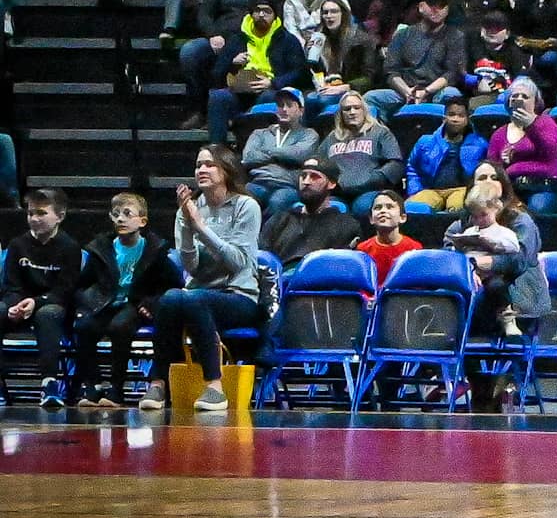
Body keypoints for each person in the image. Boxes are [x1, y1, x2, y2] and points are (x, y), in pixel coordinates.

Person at [146, 146, 263, 414]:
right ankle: (158, 382)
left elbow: (237, 263)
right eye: (198, 165)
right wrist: (187, 226)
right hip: (199, 293)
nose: (201, 170)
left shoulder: (246, 206)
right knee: (171, 297)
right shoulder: (189, 209)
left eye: (209, 164)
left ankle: (215, 386)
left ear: (227, 169)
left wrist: (201, 227)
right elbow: (192, 267)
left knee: (193, 299)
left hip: (239, 295)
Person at [444, 161, 549, 408]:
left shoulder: (520, 220)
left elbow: (521, 260)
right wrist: (469, 268)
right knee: (462, 310)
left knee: (489, 297)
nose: (487, 182)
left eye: (493, 177)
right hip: (476, 294)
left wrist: (489, 262)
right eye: (481, 178)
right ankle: (480, 389)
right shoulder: (462, 224)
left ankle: (504, 385)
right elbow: (449, 254)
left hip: (517, 292)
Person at [64, 192, 182, 410]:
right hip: (106, 302)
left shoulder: (154, 250)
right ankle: (94, 385)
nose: (120, 219)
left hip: (136, 304)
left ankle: (117, 388)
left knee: (120, 327)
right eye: (116, 214)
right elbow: (82, 284)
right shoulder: (102, 248)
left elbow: (173, 285)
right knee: (85, 326)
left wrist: (151, 303)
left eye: (127, 214)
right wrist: (89, 302)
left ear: (142, 221)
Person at [5, 189, 82, 407]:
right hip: (21, 303)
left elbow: (66, 290)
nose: (34, 219)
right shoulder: (17, 245)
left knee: (47, 315)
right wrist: (14, 306)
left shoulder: (70, 247)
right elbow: (11, 286)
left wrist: (36, 303)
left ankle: (49, 384)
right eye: (30, 213)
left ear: (60, 216)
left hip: (55, 305)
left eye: (41, 213)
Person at [207, 0, 308, 143]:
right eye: (257, 11)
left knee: (270, 97)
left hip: (269, 90)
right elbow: (216, 73)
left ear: (274, 15)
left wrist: (273, 83)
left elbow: (300, 72)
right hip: (239, 92)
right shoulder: (237, 39)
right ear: (251, 14)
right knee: (218, 97)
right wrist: (232, 64)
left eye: (267, 11)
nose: (261, 15)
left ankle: (255, 142)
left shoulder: (287, 40)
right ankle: (216, 149)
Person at [364, 0, 466, 119]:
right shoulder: (403, 34)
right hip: (405, 90)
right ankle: (384, 134)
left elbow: (451, 72)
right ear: (421, 7)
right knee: (371, 98)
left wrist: (426, 91)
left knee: (451, 94)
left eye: (441, 6)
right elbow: (390, 70)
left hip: (436, 91)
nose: (436, 10)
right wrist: (407, 92)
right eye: (431, 5)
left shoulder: (456, 36)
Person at [259, 157, 362, 271]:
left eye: (314, 177)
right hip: (278, 283)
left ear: (332, 184)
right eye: (303, 176)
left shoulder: (346, 225)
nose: (306, 182)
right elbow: (263, 259)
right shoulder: (279, 220)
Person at [318, 91, 405, 219]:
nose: (352, 112)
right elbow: (318, 163)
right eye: (347, 109)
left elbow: (396, 164)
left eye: (356, 108)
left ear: (364, 110)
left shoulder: (380, 132)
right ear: (341, 114)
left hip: (369, 190)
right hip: (338, 192)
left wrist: (373, 179)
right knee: (327, 209)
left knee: (363, 207)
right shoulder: (332, 137)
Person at [487, 77, 557, 213]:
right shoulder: (499, 134)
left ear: (535, 103)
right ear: (508, 102)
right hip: (511, 189)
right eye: (515, 96)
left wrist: (530, 125)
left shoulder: (546, 123)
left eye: (525, 96)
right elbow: (491, 167)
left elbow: (551, 152)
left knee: (537, 207)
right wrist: (503, 163)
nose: (520, 99)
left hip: (543, 188)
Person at [242, 87, 319, 217]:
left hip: (287, 186)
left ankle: (267, 236)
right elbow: (249, 157)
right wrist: (281, 156)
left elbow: (299, 155)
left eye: (289, 105)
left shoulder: (309, 135)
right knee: (241, 199)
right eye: (280, 105)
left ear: (301, 111)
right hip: (258, 181)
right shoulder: (260, 133)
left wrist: (267, 152)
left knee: (278, 201)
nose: (284, 109)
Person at [406, 96, 487, 212]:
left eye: (461, 116)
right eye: (451, 114)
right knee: (414, 207)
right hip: (430, 190)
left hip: (461, 189)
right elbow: (412, 167)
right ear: (444, 118)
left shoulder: (479, 144)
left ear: (467, 119)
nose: (455, 119)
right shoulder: (426, 142)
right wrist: (415, 190)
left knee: (457, 208)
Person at [357, 191, 423, 285]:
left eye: (389, 207)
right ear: (371, 219)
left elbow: (416, 285)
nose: (383, 211)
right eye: (378, 208)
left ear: (402, 217)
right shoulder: (362, 250)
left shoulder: (414, 249)